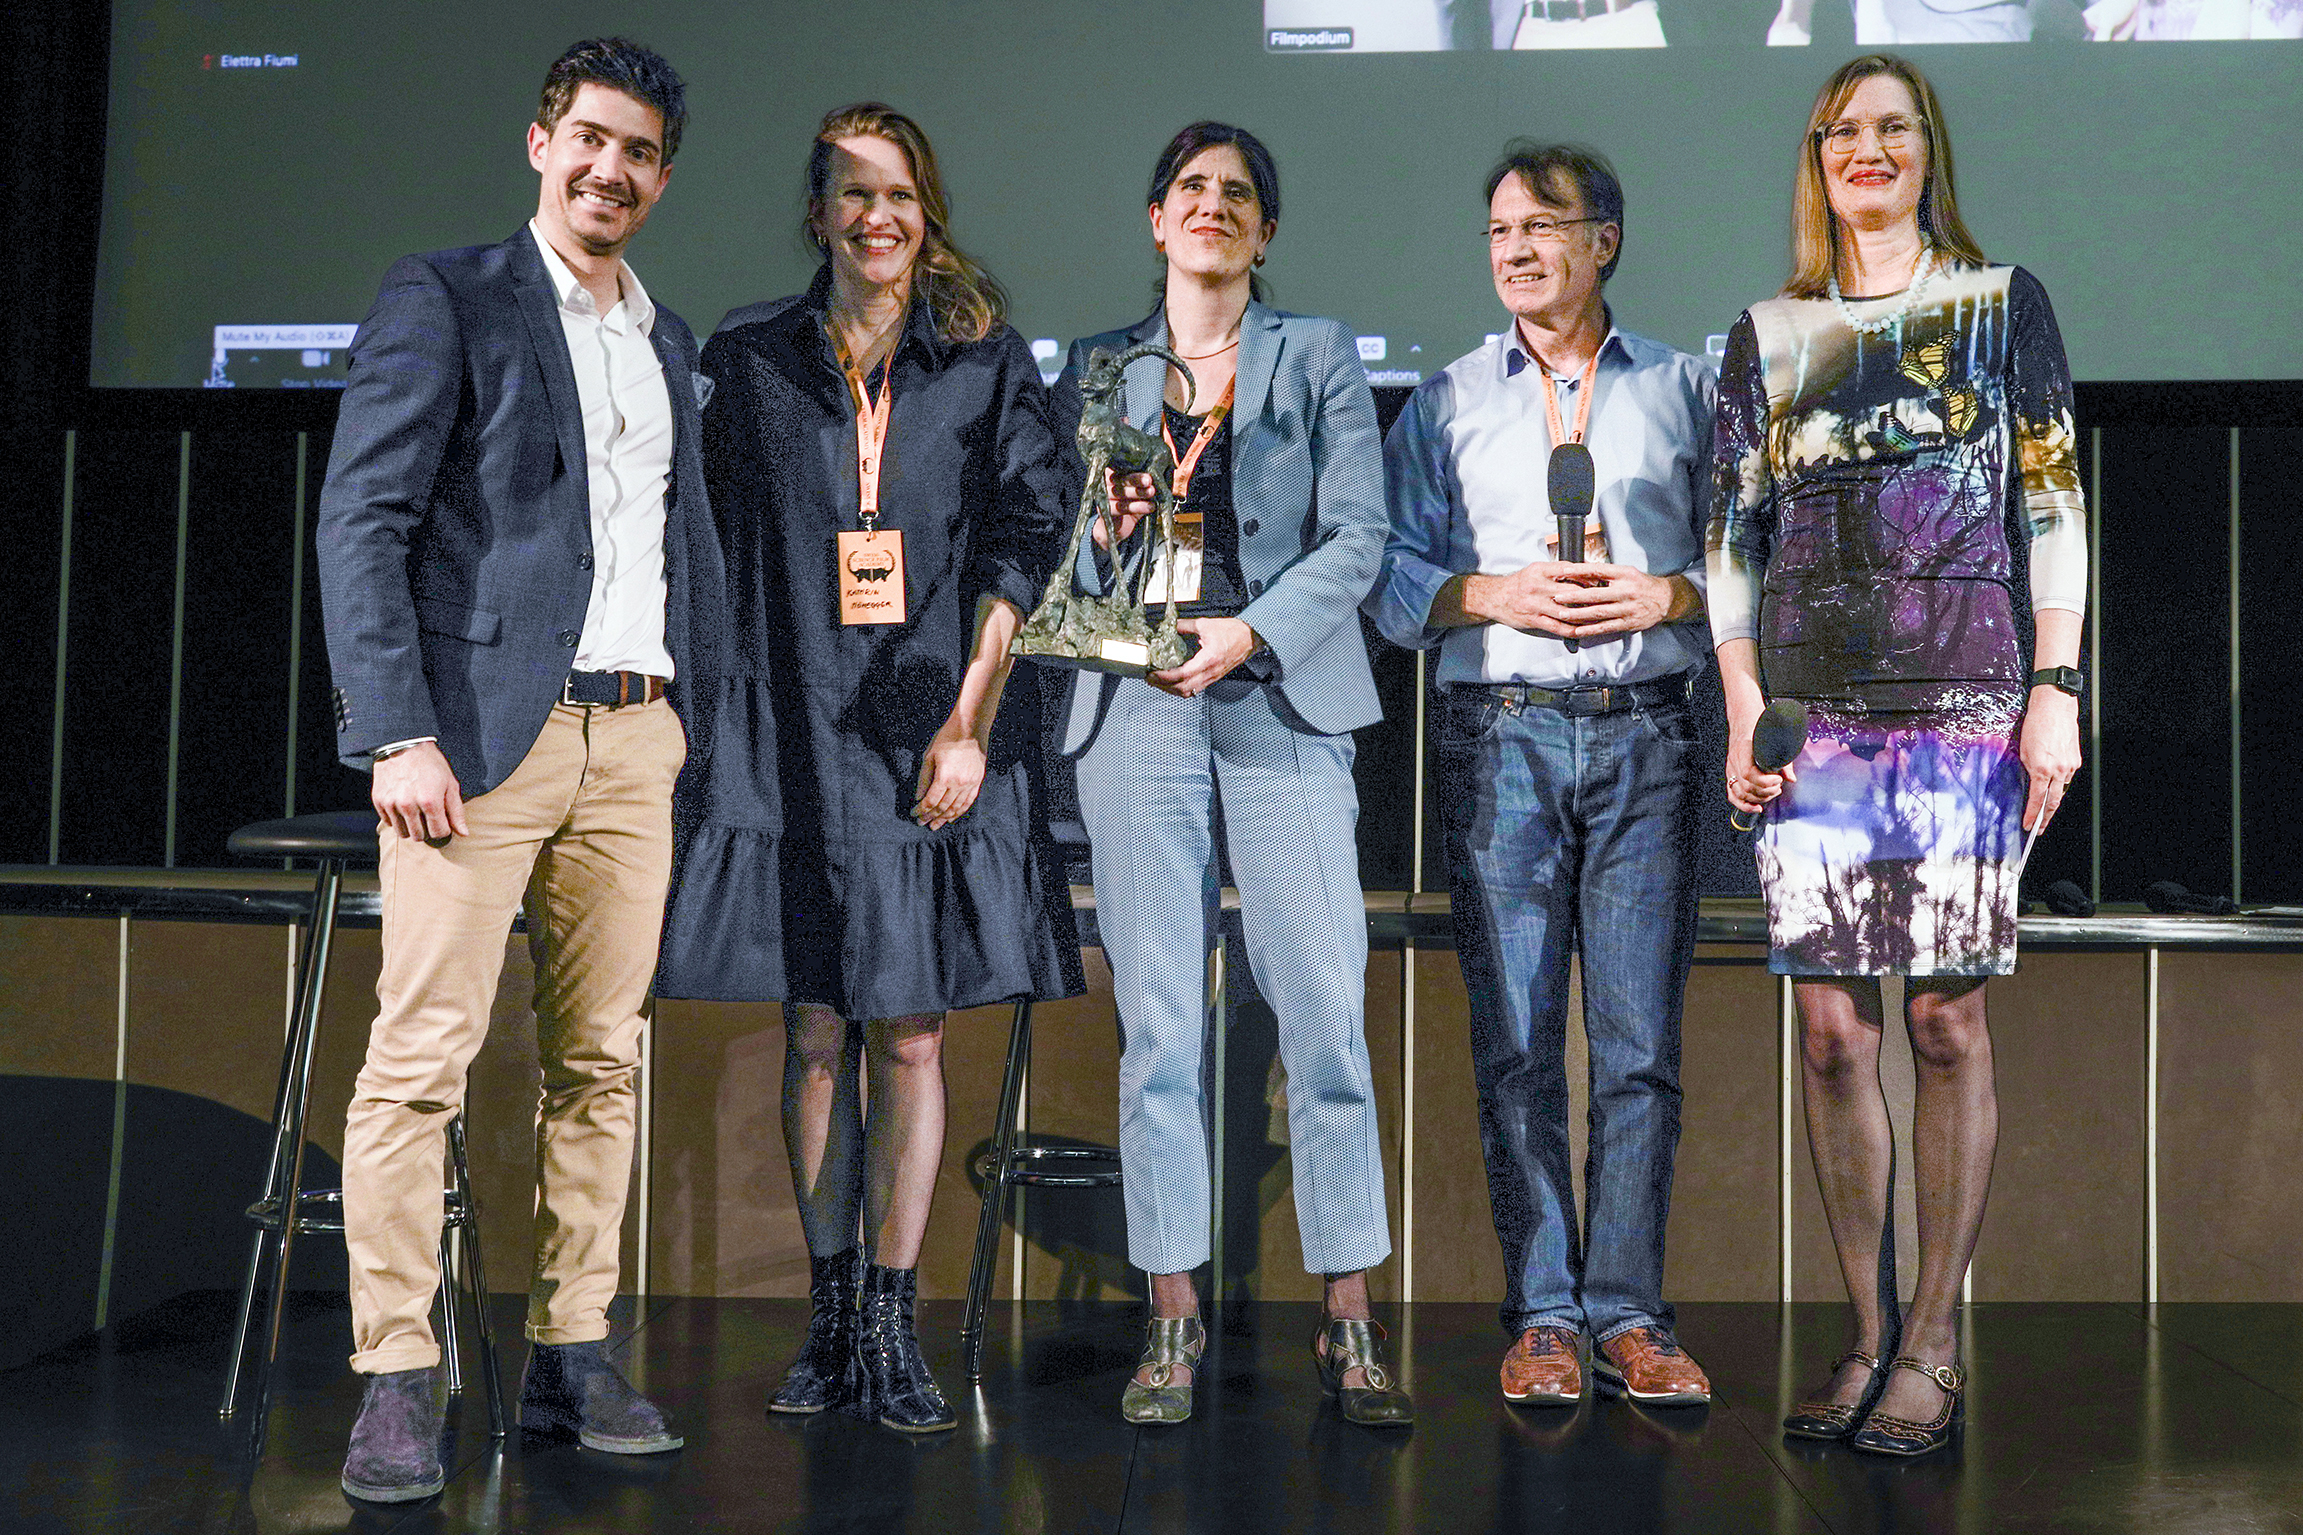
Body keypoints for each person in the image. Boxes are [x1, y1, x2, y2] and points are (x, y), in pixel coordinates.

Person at [316, 37, 718, 1502]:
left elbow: (678, 549)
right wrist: (393, 729)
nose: (611, 169)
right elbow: (362, 518)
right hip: (480, 739)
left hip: (638, 734)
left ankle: (572, 1348)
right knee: (418, 1064)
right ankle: (395, 1376)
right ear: (541, 141)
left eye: (639, 154)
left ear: (661, 179)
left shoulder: (663, 340)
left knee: (602, 1064)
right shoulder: (452, 296)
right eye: (589, 140)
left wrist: (694, 726)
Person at [654, 103, 1080, 1434]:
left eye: (895, 192)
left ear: (925, 207)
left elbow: (1025, 541)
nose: (874, 215)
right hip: (793, 730)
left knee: (908, 1026)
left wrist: (967, 722)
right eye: (850, 192)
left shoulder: (983, 360)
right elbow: (696, 554)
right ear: (818, 211)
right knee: (814, 1022)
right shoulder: (750, 359)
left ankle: (894, 1316)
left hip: (930, 732)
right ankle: (831, 1312)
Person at [1708, 54, 2087, 1456]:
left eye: (1892, 128)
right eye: (1841, 131)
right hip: (1810, 710)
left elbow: (2048, 500)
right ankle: (1862, 1335)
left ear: (1927, 152)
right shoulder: (1764, 331)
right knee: (1826, 1031)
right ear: (1813, 159)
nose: (1865, 150)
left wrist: (2053, 683)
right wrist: (1744, 699)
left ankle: (1932, 1337)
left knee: (1938, 1019)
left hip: (1961, 698)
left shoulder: (1997, 307)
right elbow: (1727, 538)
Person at [1054, 121, 1409, 1429]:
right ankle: (1170, 1314)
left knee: (1320, 1015)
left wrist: (1248, 630)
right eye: (1190, 189)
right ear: (1156, 220)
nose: (1212, 206)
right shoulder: (1105, 369)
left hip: (1281, 702)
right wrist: (1111, 586)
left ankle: (1349, 1317)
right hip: (1136, 712)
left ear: (1262, 232)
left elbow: (1359, 533)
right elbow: (1074, 571)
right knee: (1158, 1031)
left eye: (1238, 195)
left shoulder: (1310, 354)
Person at [1368, 142, 1717, 1412]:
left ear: (1604, 240)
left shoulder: (1685, 388)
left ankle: (1628, 1312)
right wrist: (1487, 590)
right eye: (1497, 229)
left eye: (1540, 226)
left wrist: (1668, 590)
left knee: (1635, 1049)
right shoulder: (1447, 398)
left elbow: (1747, 567)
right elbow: (1391, 580)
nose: (1514, 248)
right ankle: (1544, 1316)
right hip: (1497, 731)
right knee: (1515, 1046)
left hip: (1649, 730)